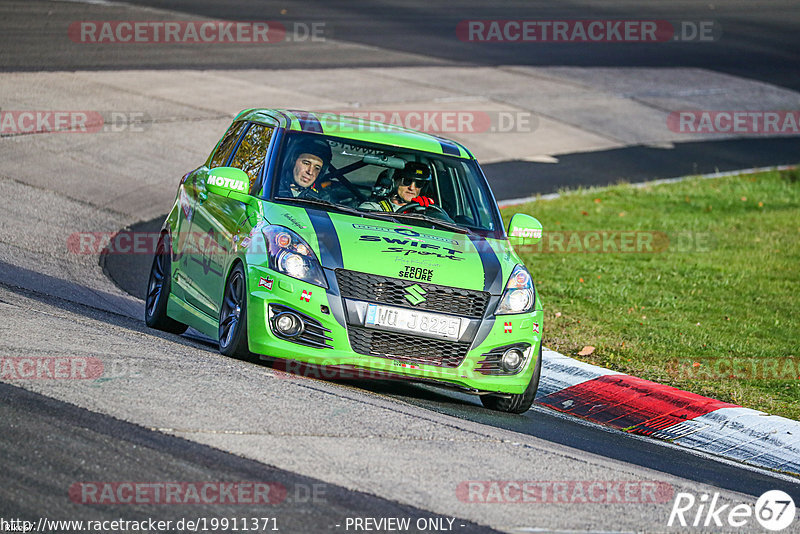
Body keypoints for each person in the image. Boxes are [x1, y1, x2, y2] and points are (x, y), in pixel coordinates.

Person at [359, 162, 435, 212]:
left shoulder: (426, 212)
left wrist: (425, 212)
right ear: (394, 182)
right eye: (407, 181)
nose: (412, 188)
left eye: (419, 183)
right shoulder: (373, 208)